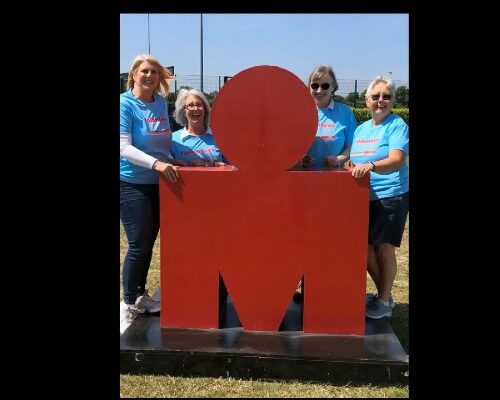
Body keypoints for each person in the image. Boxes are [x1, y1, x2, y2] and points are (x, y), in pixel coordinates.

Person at [120, 54, 181, 328]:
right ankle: (128, 303)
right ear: (133, 74)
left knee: (148, 243)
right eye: (145, 71)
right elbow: (123, 147)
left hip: (161, 183)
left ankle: (141, 295)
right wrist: (156, 163)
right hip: (132, 183)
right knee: (138, 244)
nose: (150, 76)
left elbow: (161, 140)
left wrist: (169, 157)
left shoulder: (159, 102)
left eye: (155, 72)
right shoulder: (124, 104)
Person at [293, 65, 358, 303]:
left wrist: (341, 158)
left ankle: (320, 286)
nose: (319, 90)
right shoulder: (298, 111)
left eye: (325, 86)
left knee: (326, 236)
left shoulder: (344, 112)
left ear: (334, 88)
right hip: (302, 184)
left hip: (333, 186)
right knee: (300, 234)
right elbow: (287, 143)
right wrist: (299, 159)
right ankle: (299, 282)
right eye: (314, 85)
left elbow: (353, 144)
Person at [349, 75, 409, 319]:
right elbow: (355, 161)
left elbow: (397, 159)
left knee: (384, 249)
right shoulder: (361, 129)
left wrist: (371, 166)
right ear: (366, 101)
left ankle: (383, 301)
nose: (381, 101)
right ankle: (385, 296)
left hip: (390, 195)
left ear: (393, 100)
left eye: (386, 96)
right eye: (376, 96)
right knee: (364, 249)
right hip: (363, 196)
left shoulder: (397, 125)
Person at [171, 88, 228, 166]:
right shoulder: (173, 139)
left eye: (199, 105)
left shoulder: (219, 137)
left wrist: (222, 166)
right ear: (184, 111)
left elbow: (233, 167)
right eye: (190, 105)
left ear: (205, 110)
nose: (196, 108)